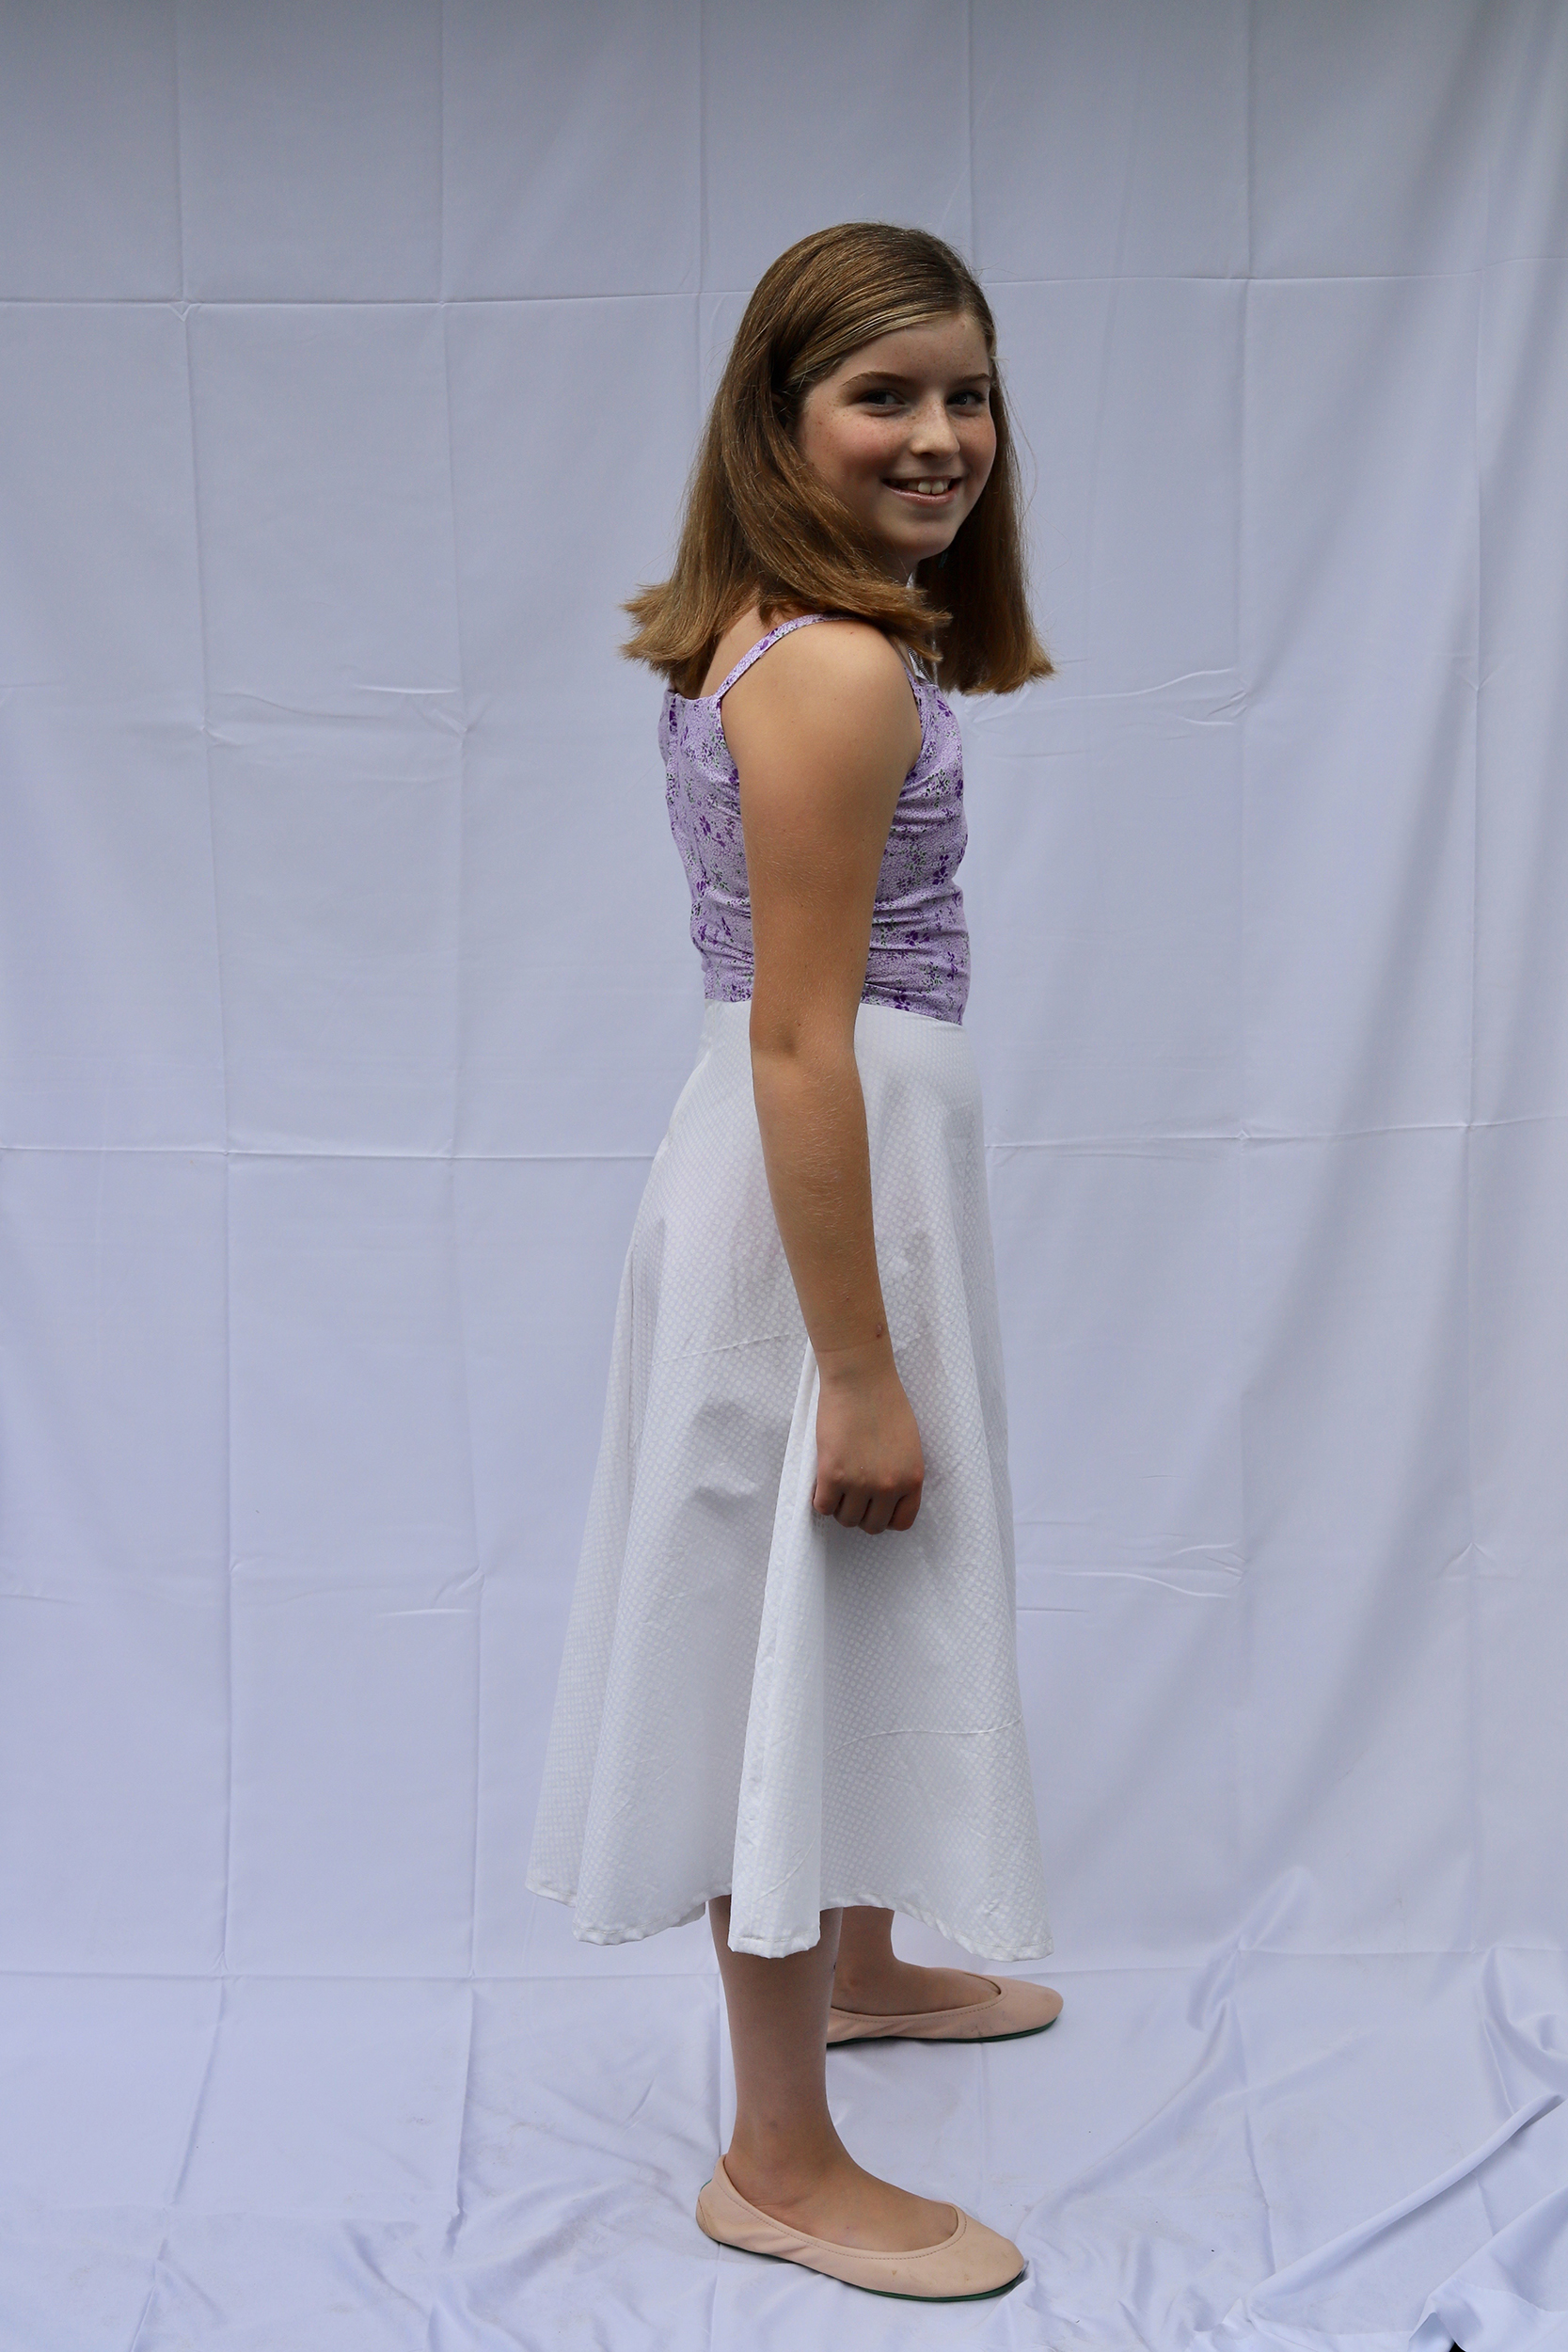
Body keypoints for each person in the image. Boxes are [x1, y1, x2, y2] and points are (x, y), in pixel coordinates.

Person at [527, 221, 1059, 2302]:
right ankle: (773, 2153)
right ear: (779, 418)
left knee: (836, 1599)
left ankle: (857, 1968)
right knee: (786, 1614)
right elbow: (796, 1035)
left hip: (822, 1166)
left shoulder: (802, 631)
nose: (943, 437)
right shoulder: (832, 667)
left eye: (970, 393)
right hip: (814, 1180)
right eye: (886, 395)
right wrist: (854, 1361)